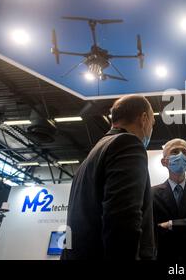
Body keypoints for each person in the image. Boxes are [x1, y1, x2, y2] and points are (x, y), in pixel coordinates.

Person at [61, 94, 155, 260]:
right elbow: (123, 220)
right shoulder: (128, 144)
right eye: (152, 124)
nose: (151, 130)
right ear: (144, 119)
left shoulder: (93, 154)